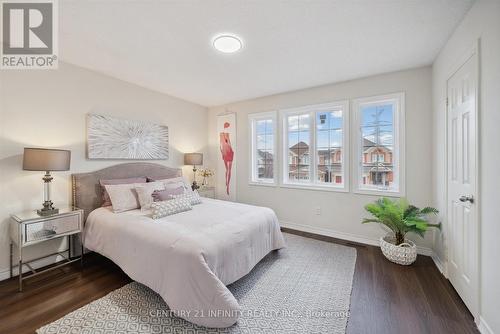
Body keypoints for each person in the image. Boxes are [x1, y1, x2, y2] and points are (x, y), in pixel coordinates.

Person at [219, 122, 234, 195]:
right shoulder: (223, 135)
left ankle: (227, 185)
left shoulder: (223, 135)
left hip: (228, 152)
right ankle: (227, 183)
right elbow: (221, 145)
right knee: (227, 169)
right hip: (226, 152)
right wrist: (222, 152)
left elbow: (227, 144)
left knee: (228, 169)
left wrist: (222, 151)